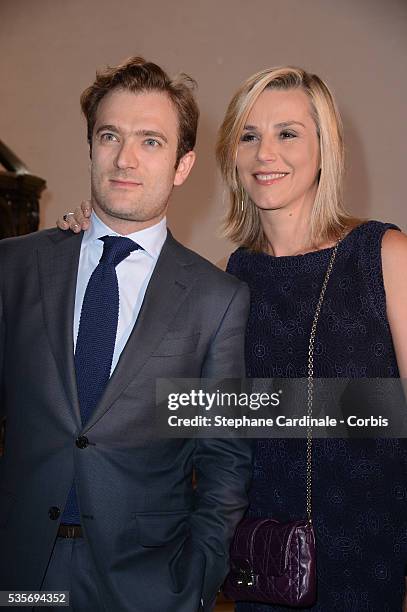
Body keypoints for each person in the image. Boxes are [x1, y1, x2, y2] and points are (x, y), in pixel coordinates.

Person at [62, 65, 407, 611]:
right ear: (230, 155)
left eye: (287, 133)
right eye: (249, 136)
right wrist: (96, 250)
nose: (265, 153)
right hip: (258, 558)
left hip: (366, 553)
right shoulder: (230, 278)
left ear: (326, 148)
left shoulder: (384, 255)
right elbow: (183, 413)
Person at [0, 57, 254, 612]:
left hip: (143, 587)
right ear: (91, 145)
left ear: (183, 165)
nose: (125, 158)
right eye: (109, 135)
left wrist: (193, 583)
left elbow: (224, 459)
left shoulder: (218, 299)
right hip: (21, 579)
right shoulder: (14, 267)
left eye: (151, 142)